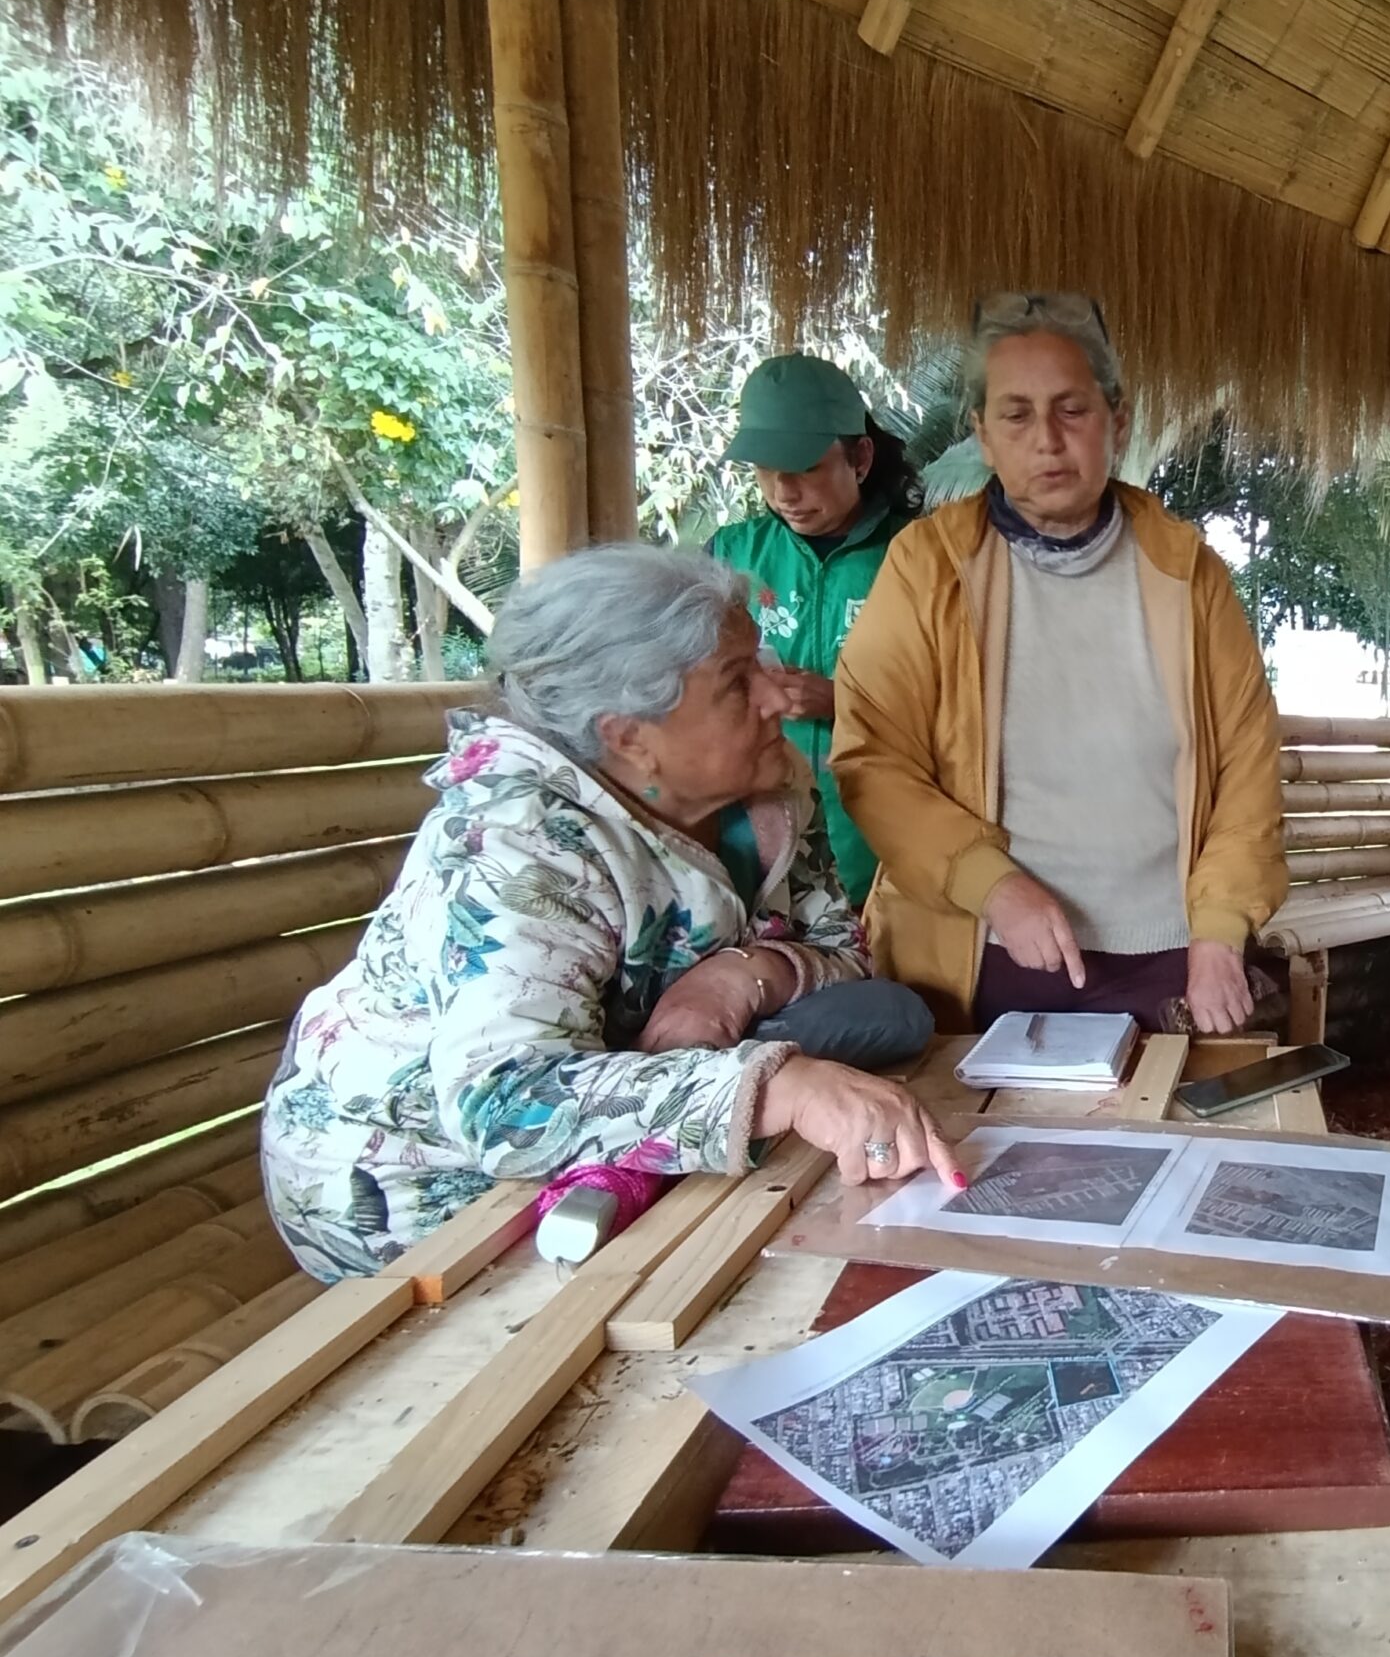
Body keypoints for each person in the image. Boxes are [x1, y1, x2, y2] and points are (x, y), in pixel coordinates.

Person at [261, 546, 947, 1283]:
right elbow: (508, 1101)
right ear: (629, 737)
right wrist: (778, 1088)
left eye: (763, 665)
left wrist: (745, 974)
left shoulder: (768, 790)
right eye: (735, 685)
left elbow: (840, 949)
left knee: (884, 1028)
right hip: (428, 1188)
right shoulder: (517, 838)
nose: (779, 699)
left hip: (633, 1108)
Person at [832, 292, 1287, 1035]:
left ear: (1119, 419)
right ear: (981, 433)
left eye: (1072, 410)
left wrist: (1219, 930)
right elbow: (874, 760)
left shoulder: (1188, 574)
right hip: (982, 953)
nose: (1047, 439)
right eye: (1015, 414)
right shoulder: (926, 568)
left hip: (1166, 958)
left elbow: (1246, 765)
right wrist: (995, 887)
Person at [710, 353, 925, 902]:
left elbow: (969, 708)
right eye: (764, 469)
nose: (784, 491)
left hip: (887, 845)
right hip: (755, 841)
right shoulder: (730, 556)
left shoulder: (922, 558)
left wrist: (845, 701)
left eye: (805, 467)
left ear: (860, 457)